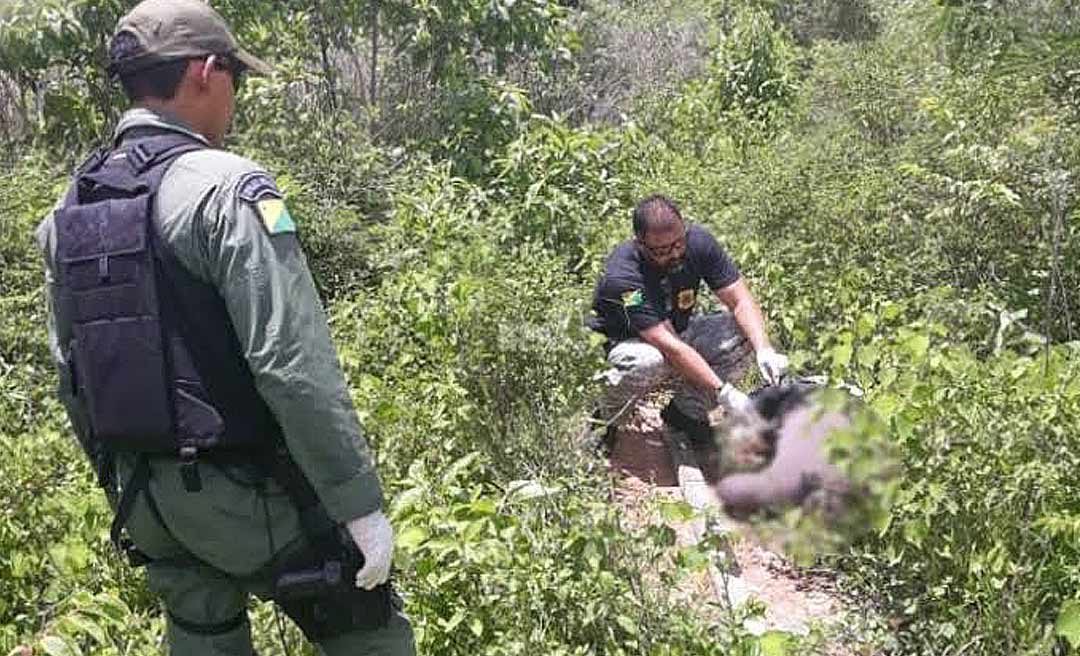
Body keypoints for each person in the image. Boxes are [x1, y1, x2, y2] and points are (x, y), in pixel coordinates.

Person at [34, 1, 414, 654]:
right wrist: (359, 506)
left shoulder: (70, 208)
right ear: (206, 72)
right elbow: (292, 364)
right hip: (249, 499)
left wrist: (123, 485)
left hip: (147, 504)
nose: (235, 96)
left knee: (203, 637)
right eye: (235, 77)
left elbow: (73, 379)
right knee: (373, 634)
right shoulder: (227, 188)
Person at [589, 194, 789, 433]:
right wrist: (724, 393)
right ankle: (606, 420)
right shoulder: (623, 279)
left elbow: (740, 301)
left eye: (678, 244)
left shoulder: (698, 243)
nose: (674, 254)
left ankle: (686, 412)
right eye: (662, 250)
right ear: (640, 244)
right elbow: (670, 346)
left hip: (678, 330)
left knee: (743, 333)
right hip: (628, 343)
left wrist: (764, 349)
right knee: (650, 362)